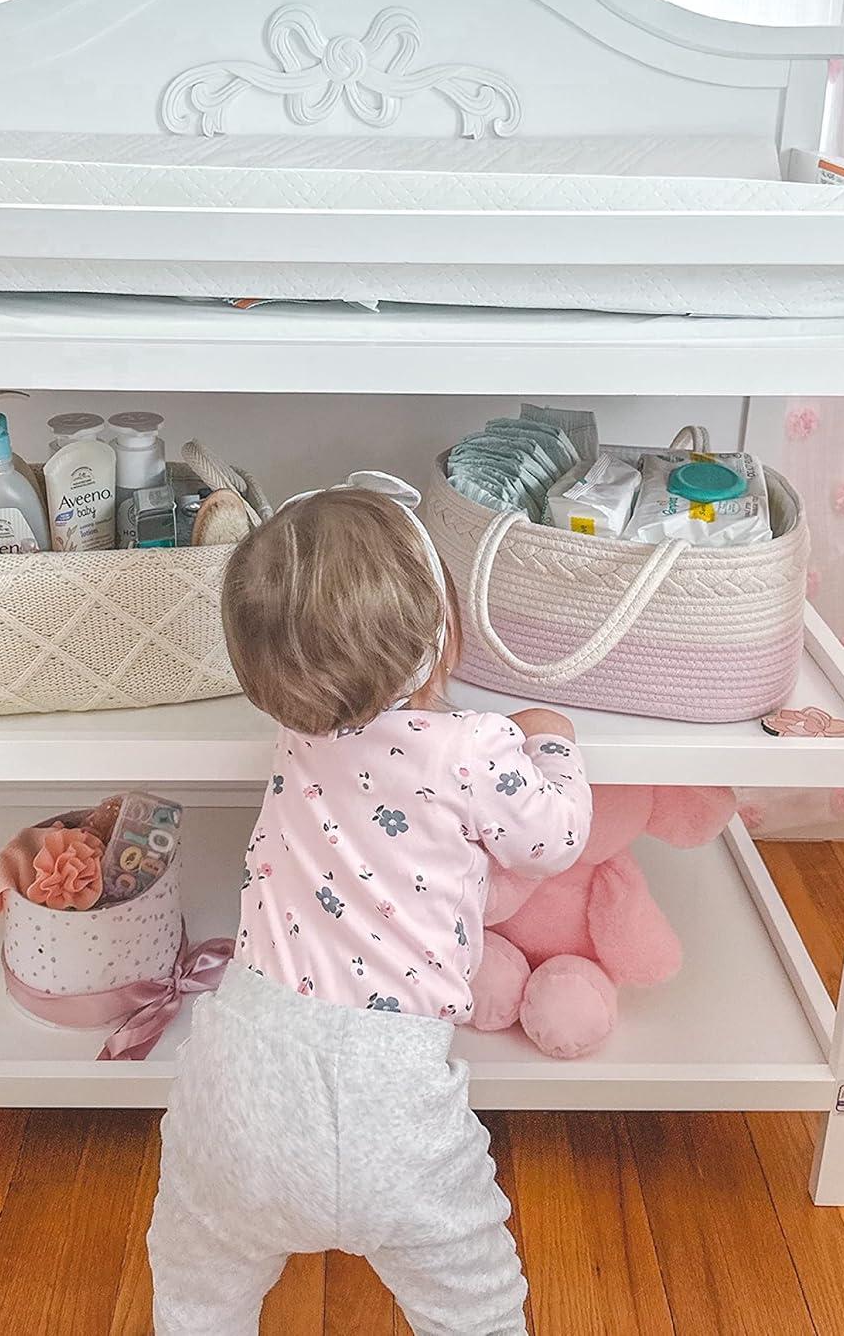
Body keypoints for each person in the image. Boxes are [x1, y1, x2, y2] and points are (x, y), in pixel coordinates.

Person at [149, 477, 591, 1335]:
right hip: (390, 1095)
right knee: (475, 1303)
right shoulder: (474, 747)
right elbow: (554, 837)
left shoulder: (298, 729)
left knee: (200, 1285)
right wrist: (552, 740)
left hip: (237, 1073)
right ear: (443, 633)